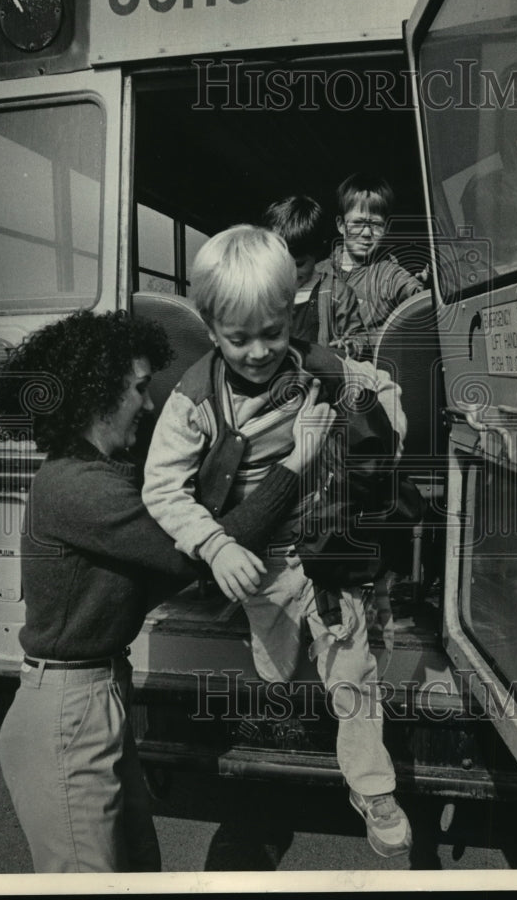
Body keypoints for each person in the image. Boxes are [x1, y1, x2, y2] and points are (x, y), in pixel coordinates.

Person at [0, 308, 333, 873]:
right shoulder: (77, 489)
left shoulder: (100, 472)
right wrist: (295, 464)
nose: (149, 405)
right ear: (98, 394)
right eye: (141, 389)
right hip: (69, 709)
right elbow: (195, 552)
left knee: (139, 869)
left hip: (101, 690)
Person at [143, 227, 413, 859]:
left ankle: (372, 786)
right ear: (210, 329)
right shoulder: (192, 403)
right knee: (276, 667)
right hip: (250, 557)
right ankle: (285, 645)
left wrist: (376, 421)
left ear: (292, 312)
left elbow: (384, 392)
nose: (260, 352)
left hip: (315, 550)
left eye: (274, 332)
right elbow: (162, 491)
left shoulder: (313, 366)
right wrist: (213, 545)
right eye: (239, 339)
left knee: (351, 665)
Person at [318, 172, 424, 336]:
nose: (367, 232)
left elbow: (418, 295)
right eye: (358, 223)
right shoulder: (317, 272)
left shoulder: (388, 275)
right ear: (341, 225)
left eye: (375, 224)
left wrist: (429, 285)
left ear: (386, 229)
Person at [262, 194, 368, 358]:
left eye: (299, 264)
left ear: (316, 254)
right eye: (281, 263)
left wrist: (350, 346)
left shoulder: (337, 293)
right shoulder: (262, 290)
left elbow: (358, 336)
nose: (290, 273)